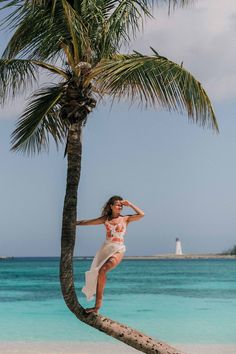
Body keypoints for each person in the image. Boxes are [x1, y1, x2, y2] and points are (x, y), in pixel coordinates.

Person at [76, 195, 145, 313]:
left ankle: (97, 307)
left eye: (121, 205)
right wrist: (74, 223)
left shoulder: (126, 219)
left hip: (118, 249)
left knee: (103, 270)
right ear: (111, 206)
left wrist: (130, 204)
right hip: (106, 248)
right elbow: (89, 222)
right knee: (97, 272)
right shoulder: (106, 219)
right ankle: (96, 306)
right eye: (117, 204)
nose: (120, 207)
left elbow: (141, 214)